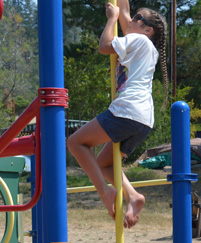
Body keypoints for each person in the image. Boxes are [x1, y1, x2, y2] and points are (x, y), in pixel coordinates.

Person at [66, 0, 168, 228]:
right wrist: (121, 12)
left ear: (148, 29)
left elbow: (104, 46)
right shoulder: (144, 45)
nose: (132, 20)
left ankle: (105, 192)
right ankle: (133, 196)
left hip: (127, 110)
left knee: (75, 142)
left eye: (138, 18)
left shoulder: (138, 40)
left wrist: (111, 18)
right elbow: (125, 11)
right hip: (143, 120)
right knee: (105, 164)